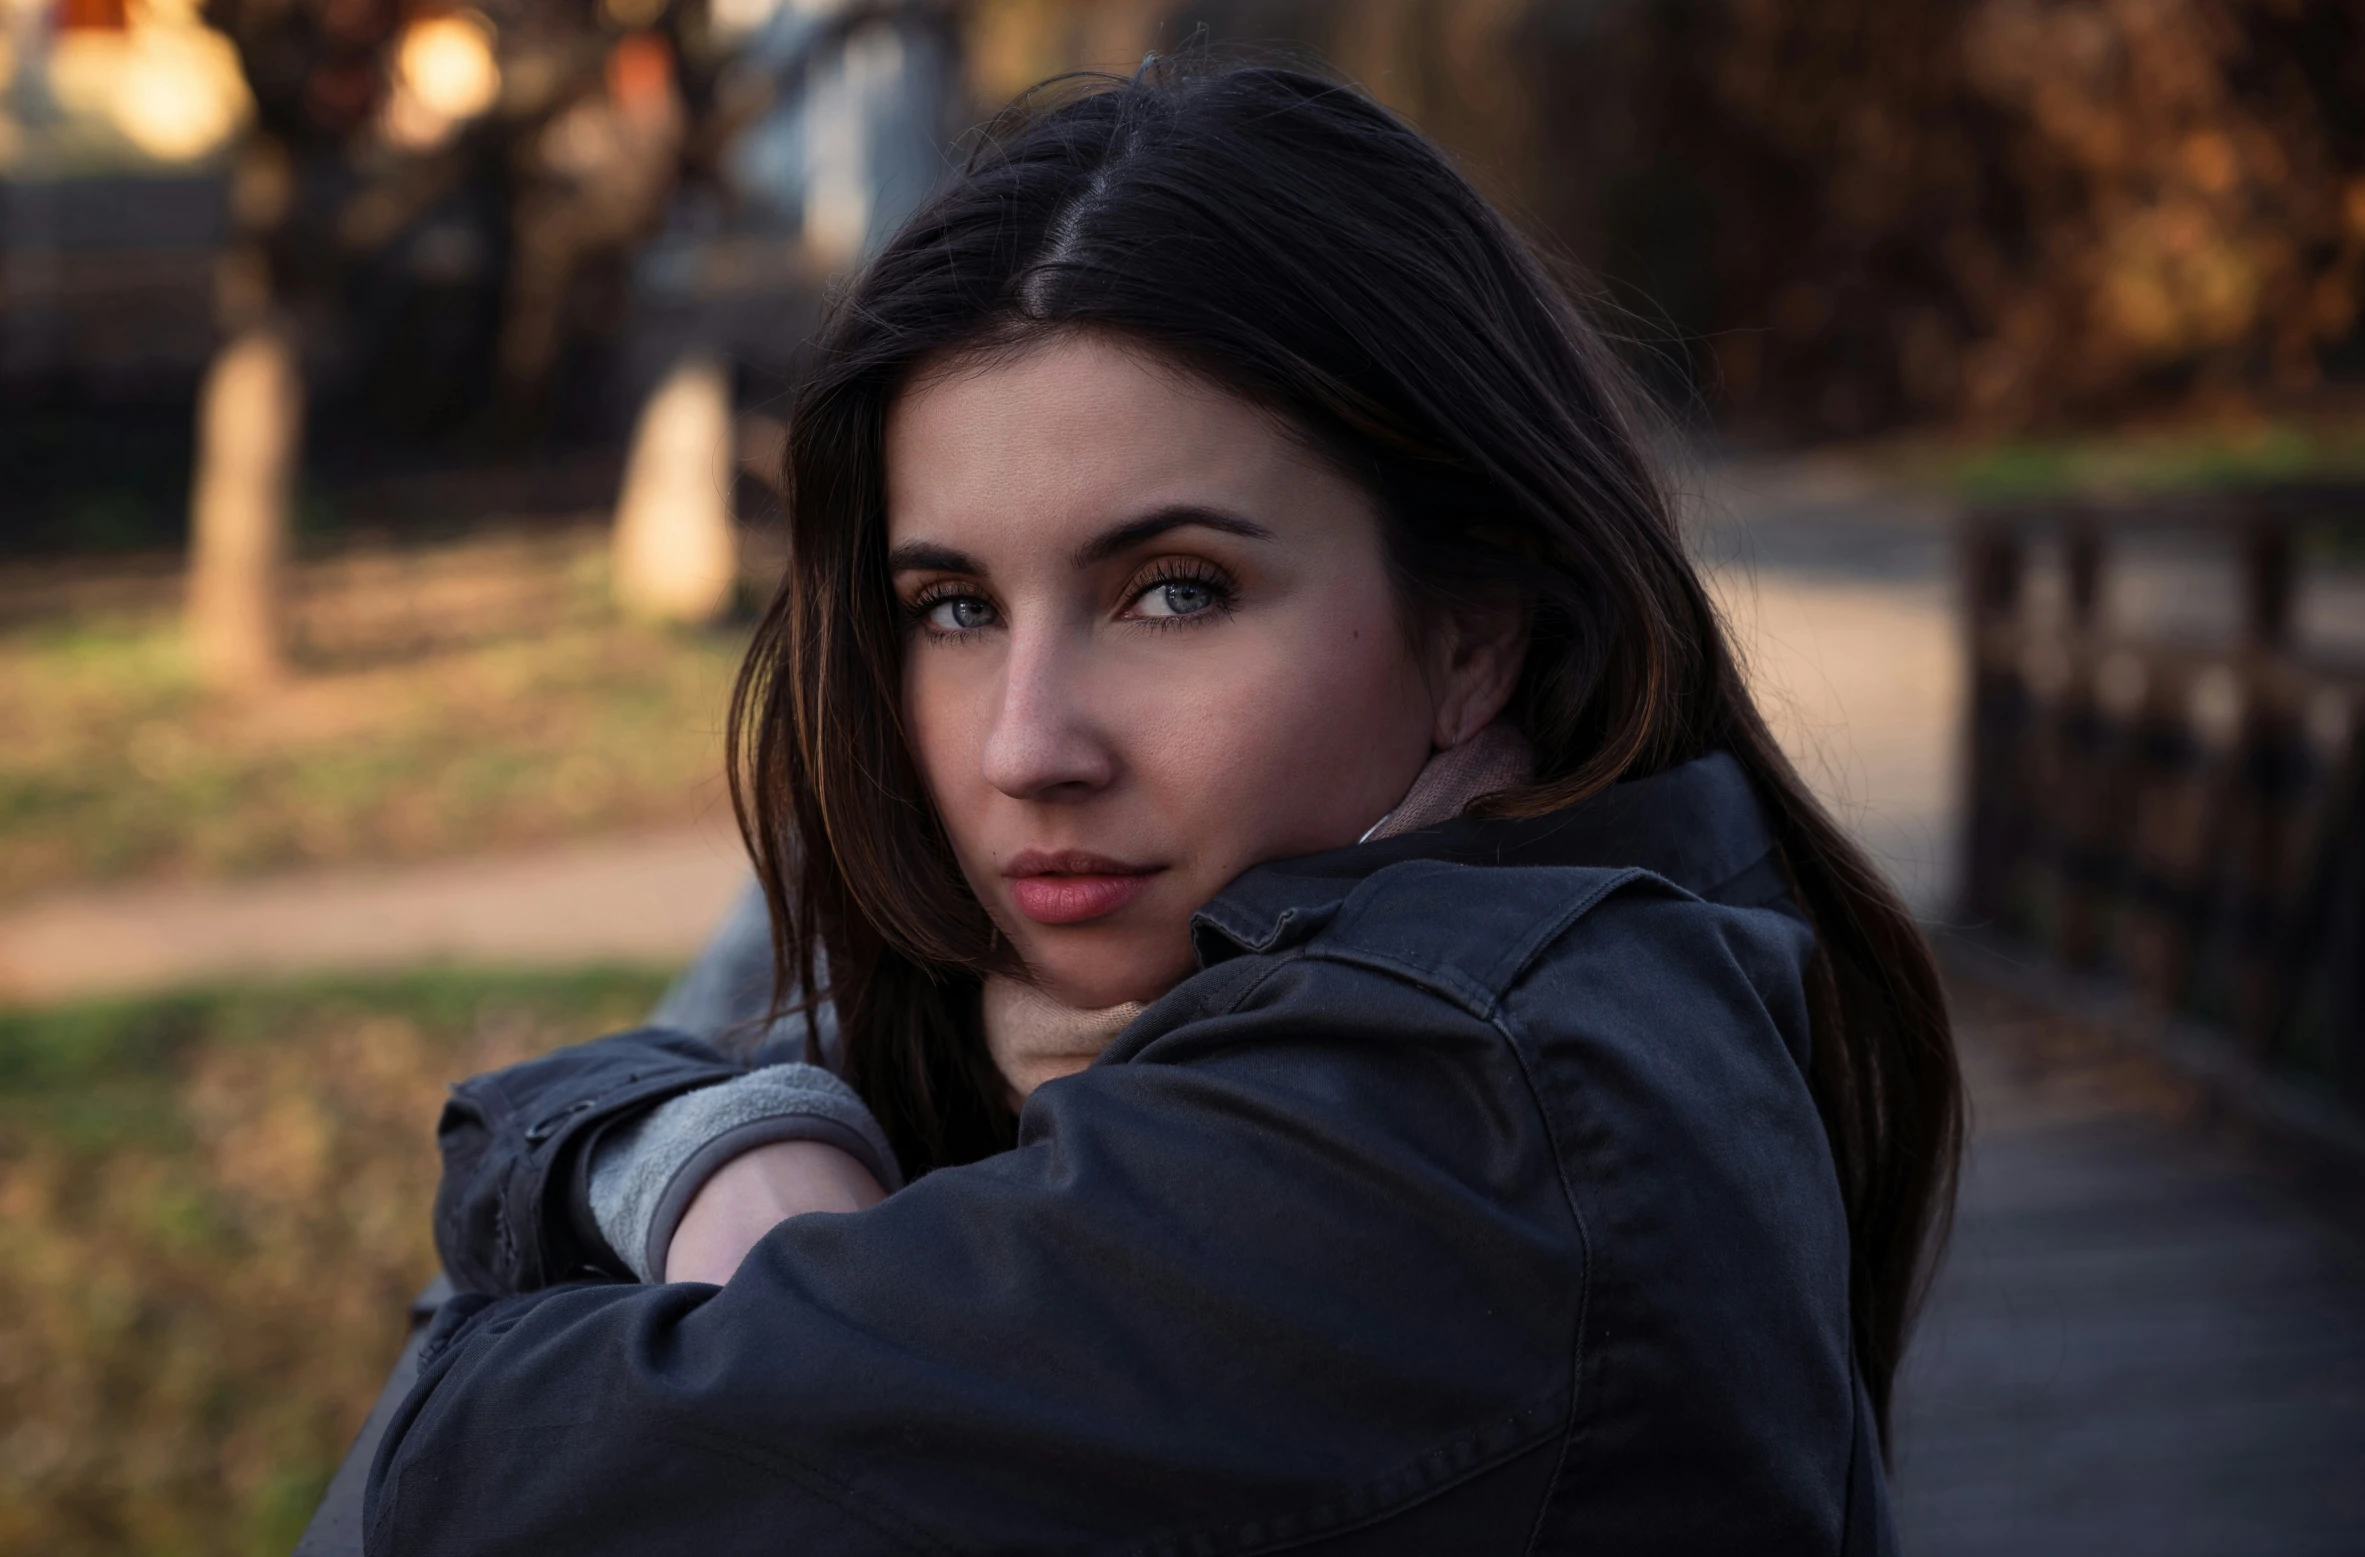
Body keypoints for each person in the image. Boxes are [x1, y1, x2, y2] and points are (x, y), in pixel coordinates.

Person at [365, 59, 1960, 1555]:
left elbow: (491, 1472)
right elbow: (546, 1112)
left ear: (1473, 638)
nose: (1025, 746)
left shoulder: (1458, 1122)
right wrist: (735, 1150)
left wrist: (715, 1227)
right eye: (956, 609)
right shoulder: (1581, 957)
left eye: (1176, 592)